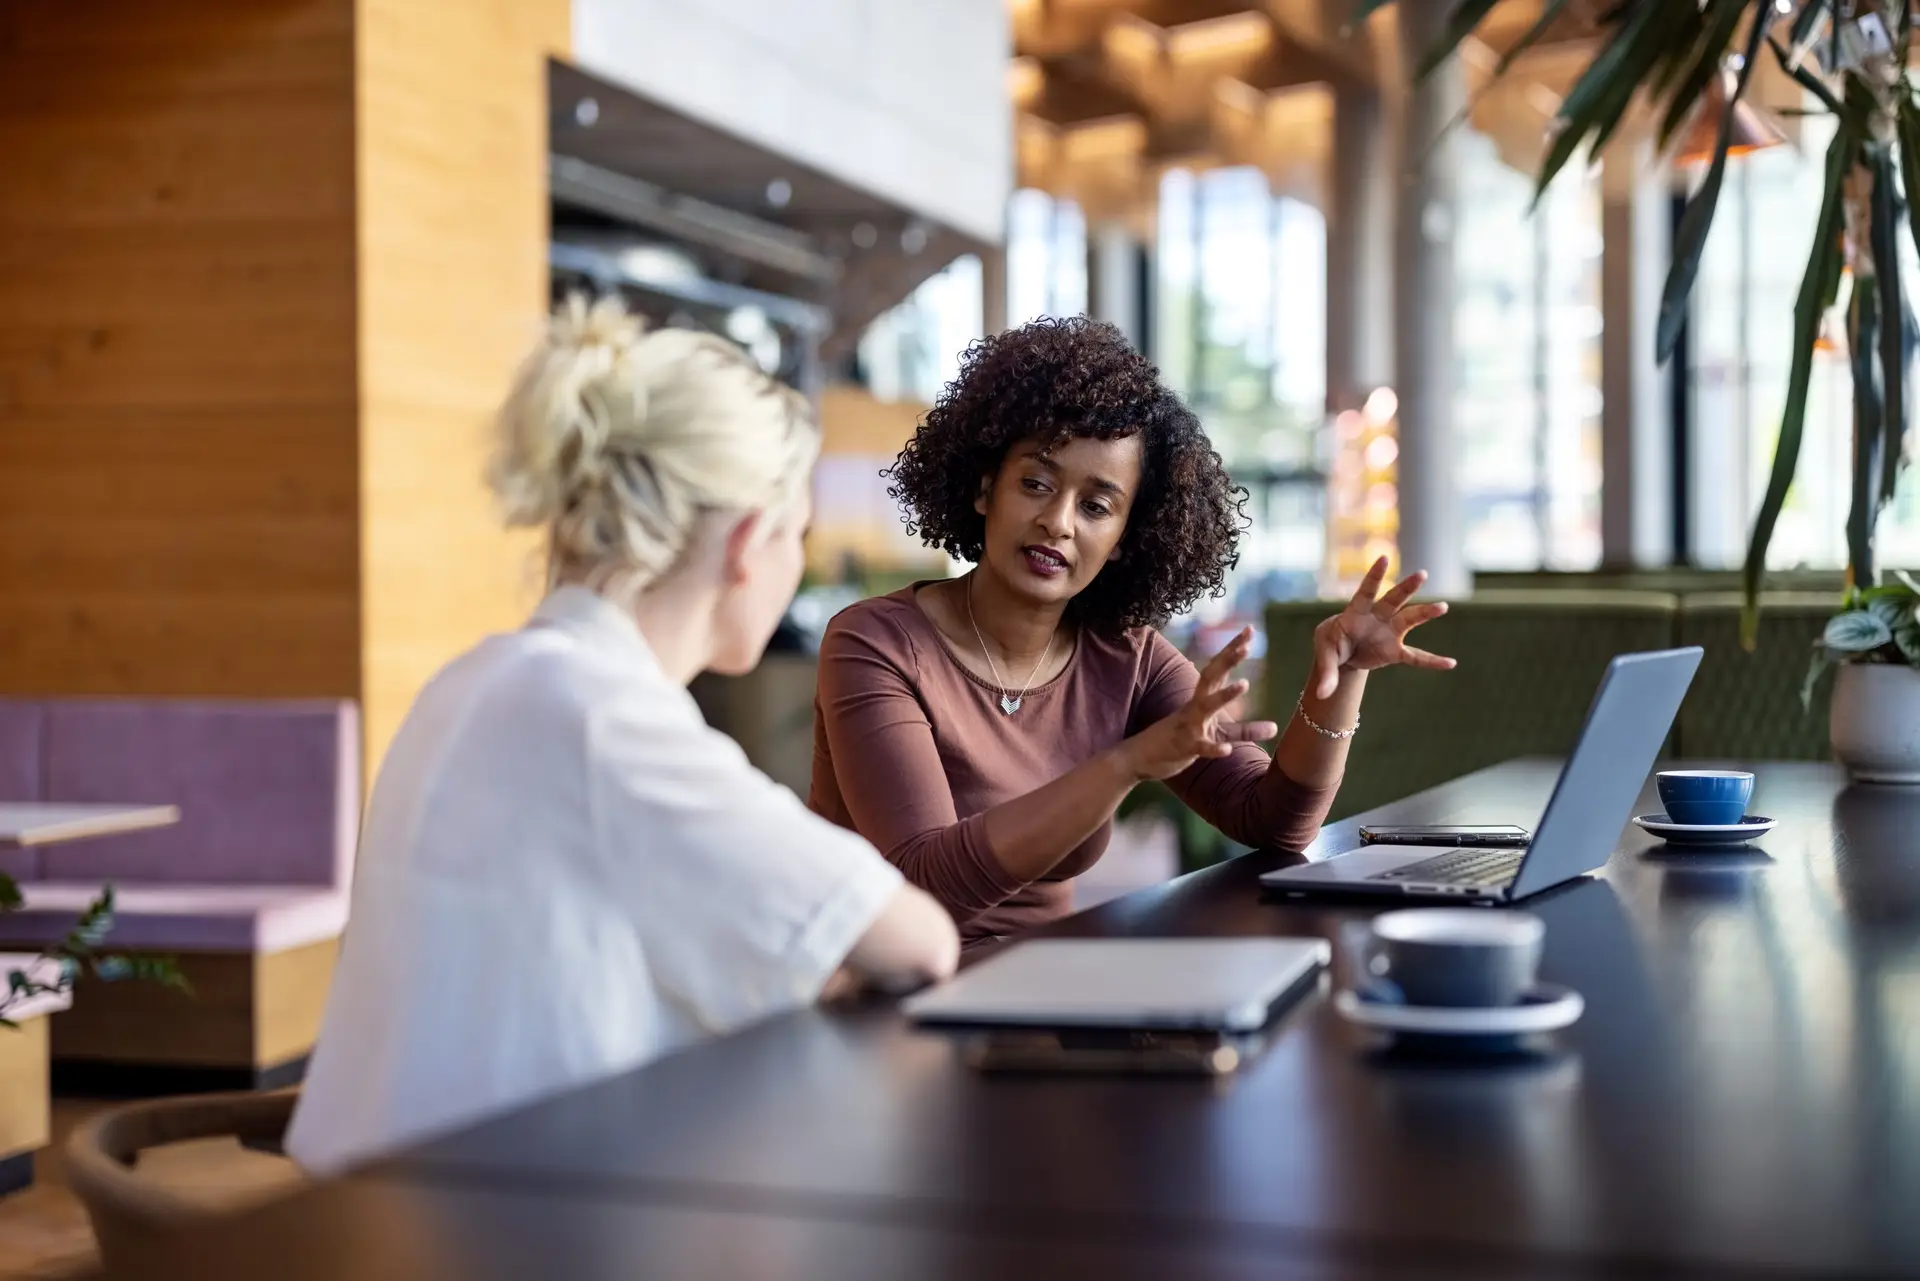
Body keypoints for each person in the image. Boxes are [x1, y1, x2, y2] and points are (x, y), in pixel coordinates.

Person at [288, 298, 958, 1175]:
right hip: (497, 1232)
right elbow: (918, 941)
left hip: (359, 1218)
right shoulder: (604, 718)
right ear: (751, 544)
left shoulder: (475, 681)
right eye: (798, 532)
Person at [809, 316, 1454, 948]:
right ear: (985, 489)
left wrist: (1340, 679)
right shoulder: (875, 643)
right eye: (1035, 483)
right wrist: (1126, 764)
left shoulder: (1126, 655)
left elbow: (1275, 822)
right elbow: (925, 882)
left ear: (1124, 538)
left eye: (1096, 506)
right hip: (881, 995)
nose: (1059, 522)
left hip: (1040, 992)